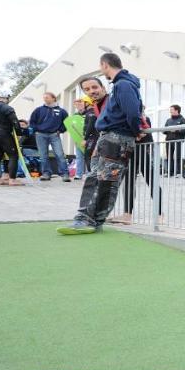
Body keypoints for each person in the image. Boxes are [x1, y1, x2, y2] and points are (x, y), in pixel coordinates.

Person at [57, 53, 143, 234]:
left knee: (106, 181)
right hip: (108, 138)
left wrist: (135, 132)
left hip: (117, 138)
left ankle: (91, 220)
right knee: (95, 178)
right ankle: (84, 217)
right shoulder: (121, 85)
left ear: (104, 65)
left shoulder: (124, 85)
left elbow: (133, 112)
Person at [29, 92, 71, 181]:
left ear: (53, 98)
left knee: (60, 155)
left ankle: (65, 174)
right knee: (43, 155)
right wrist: (36, 130)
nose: (45, 99)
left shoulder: (62, 111)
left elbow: (66, 123)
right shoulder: (38, 110)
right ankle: (46, 174)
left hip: (54, 135)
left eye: (47, 97)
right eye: (44, 97)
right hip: (40, 135)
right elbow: (32, 122)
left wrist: (60, 130)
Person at [80, 78, 107, 173]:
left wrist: (85, 138)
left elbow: (91, 126)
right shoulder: (96, 106)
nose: (91, 91)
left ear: (103, 88)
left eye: (94, 87)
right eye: (87, 89)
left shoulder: (111, 101)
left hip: (124, 144)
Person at [64, 98, 90, 177]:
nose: (78, 106)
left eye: (80, 104)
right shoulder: (75, 115)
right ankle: (79, 174)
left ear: (84, 104)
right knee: (79, 157)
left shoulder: (89, 113)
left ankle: (90, 173)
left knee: (89, 156)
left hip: (89, 138)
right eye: (76, 105)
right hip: (78, 139)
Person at [163, 104, 185, 176]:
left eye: (171, 110)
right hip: (168, 140)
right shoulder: (168, 120)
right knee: (169, 156)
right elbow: (164, 130)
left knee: (178, 156)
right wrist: (167, 130)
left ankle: (178, 172)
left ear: (177, 110)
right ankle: (170, 172)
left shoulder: (183, 120)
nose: (170, 111)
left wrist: (176, 130)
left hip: (178, 140)